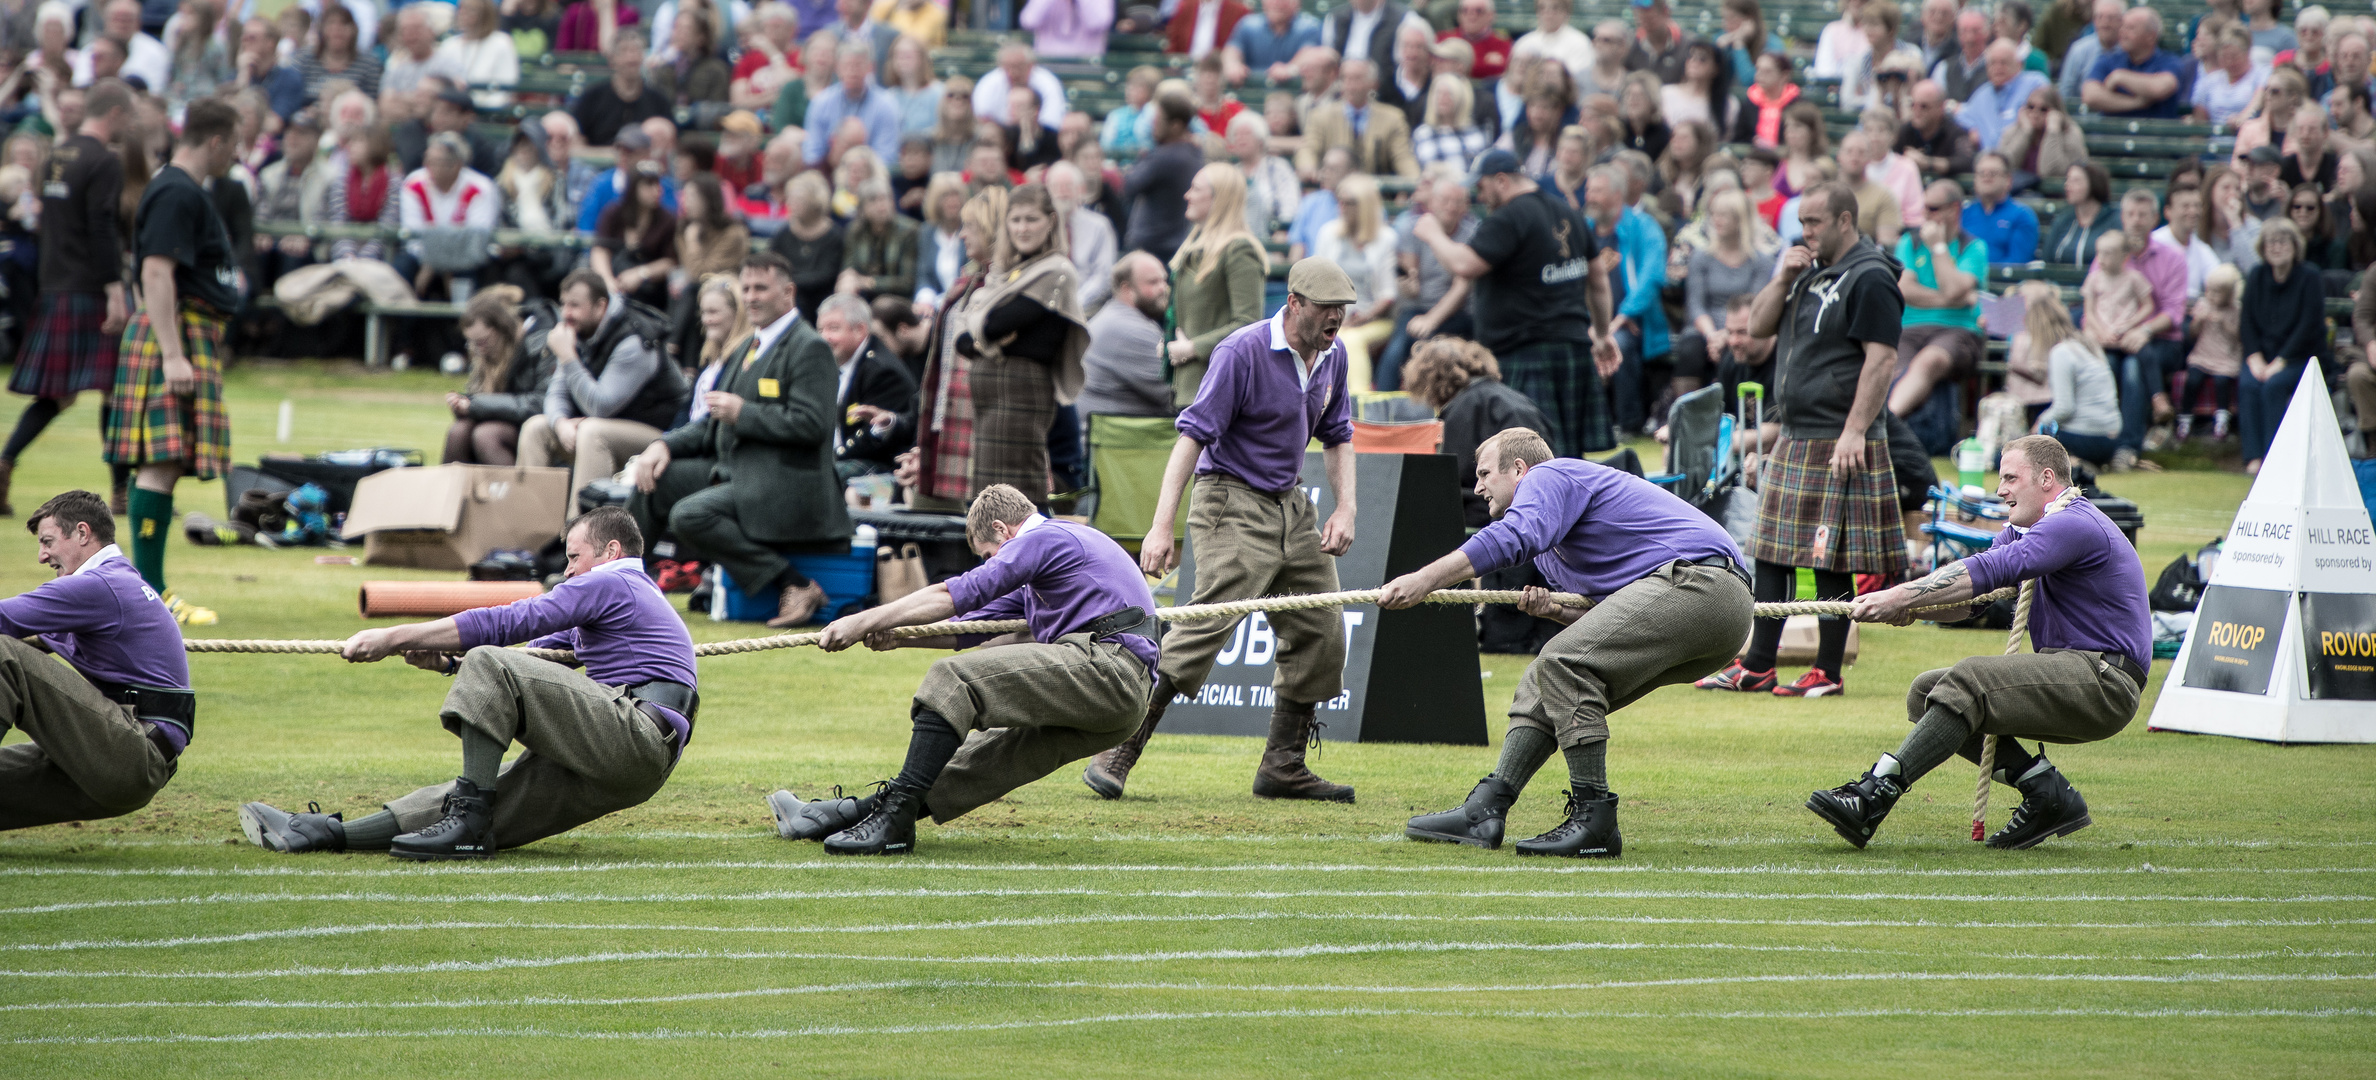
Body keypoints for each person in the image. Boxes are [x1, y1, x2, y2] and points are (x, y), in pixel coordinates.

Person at [243, 508, 697, 859]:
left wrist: (395, 635)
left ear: (611, 551)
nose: (570, 569)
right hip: (629, 755)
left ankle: (468, 826)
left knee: (487, 671)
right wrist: (448, 663)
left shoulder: (615, 582)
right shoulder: (619, 599)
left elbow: (510, 625)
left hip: (636, 734)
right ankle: (325, 834)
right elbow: (530, 656)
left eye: (575, 557)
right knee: (484, 794)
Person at [1383, 423, 1751, 856]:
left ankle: (1593, 819)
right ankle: (1485, 810)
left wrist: (1426, 578)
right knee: (1547, 678)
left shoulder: (1549, 476)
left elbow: (1512, 538)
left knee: (1565, 662)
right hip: (1706, 606)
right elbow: (1619, 617)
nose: (1477, 487)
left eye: (1484, 474)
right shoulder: (1554, 549)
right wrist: (1557, 611)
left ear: (1519, 469)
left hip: (1704, 585)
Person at [1079, 259, 1361, 804]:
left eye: (1343, 310)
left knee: (1323, 632)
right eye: (1327, 309)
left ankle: (1283, 765)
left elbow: (1338, 434)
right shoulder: (1242, 351)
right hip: (1228, 500)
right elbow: (1190, 439)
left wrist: (1346, 508)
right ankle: (1119, 748)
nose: (1336, 320)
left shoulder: (1334, 355)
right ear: (1294, 303)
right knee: (1205, 626)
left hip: (1292, 503)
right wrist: (1161, 527)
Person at [780, 485, 1159, 854]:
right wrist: (898, 636)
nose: (990, 563)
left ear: (1001, 529)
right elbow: (968, 624)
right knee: (980, 761)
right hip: (1122, 701)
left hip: (1109, 666)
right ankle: (843, 816)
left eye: (989, 555)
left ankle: (892, 824)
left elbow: (951, 594)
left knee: (953, 679)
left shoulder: (1043, 538)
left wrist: (861, 620)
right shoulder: (1044, 565)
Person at [1812, 435, 2148, 850]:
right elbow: (1971, 602)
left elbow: (1990, 568)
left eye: (2010, 478)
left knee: (1970, 676)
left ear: (2047, 478)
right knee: (1926, 692)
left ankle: (1874, 794)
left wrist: (1901, 595)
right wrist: (1914, 608)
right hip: (2078, 671)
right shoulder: (2028, 529)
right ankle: (2046, 793)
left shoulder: (2072, 523)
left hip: (2105, 681)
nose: (2000, 489)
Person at [1699, 181, 1905, 699]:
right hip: (1797, 433)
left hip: (1838, 435)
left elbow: (1882, 360)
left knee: (1830, 557)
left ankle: (1828, 672)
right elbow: (1762, 325)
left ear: (1844, 220)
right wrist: (1782, 275)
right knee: (1769, 551)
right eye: (1802, 221)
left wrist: (1855, 430)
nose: (1804, 231)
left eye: (1814, 222)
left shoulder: (1872, 277)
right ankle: (1758, 664)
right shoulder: (1807, 272)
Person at [627, 253, 848, 627]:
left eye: (761, 288)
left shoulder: (810, 347)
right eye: (746, 288)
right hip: (741, 473)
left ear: (788, 292)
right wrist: (662, 446)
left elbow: (812, 425)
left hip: (789, 484)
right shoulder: (749, 346)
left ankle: (794, 584)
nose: (751, 296)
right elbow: (711, 423)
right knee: (653, 482)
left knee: (689, 515)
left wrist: (744, 413)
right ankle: (618, 588)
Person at [105, 98, 239, 628]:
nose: (238, 152)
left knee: (170, 460)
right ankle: (152, 593)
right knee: (160, 459)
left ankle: (150, 590)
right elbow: (156, 274)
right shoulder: (178, 191)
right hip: (176, 331)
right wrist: (174, 353)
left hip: (185, 329)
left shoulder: (179, 189)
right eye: (235, 142)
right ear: (215, 141)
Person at [1409, 148, 1617, 458]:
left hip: (1525, 351)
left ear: (1501, 180)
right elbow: (1598, 279)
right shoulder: (1566, 213)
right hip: (1571, 350)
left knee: (1527, 459)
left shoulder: (1508, 218)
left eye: (1481, 186)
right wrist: (1601, 335)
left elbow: (1465, 265)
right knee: (1568, 459)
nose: (1479, 195)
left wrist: (1433, 233)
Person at [1, 79, 127, 515]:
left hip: (55, 284)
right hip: (90, 288)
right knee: (116, 390)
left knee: (56, 394)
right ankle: (122, 491)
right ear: (113, 114)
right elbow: (101, 226)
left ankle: (4, 461)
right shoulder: (103, 161)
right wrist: (115, 288)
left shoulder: (57, 154)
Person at [520, 269, 687, 514]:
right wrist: (560, 423)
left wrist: (567, 357)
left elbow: (601, 406)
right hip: (610, 425)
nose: (566, 314)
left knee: (593, 432)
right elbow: (555, 394)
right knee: (537, 427)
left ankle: (578, 536)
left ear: (601, 306)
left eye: (575, 305)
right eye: (564, 304)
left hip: (660, 436)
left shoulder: (634, 340)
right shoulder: (579, 330)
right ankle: (532, 534)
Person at [2094, 188, 2189, 468]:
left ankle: (2127, 447)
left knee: (2134, 368)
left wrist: (2144, 330)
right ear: (2122, 218)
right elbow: (2091, 303)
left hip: (2160, 340)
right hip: (2111, 337)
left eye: (2143, 215)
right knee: (2101, 365)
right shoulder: (2106, 253)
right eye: (2130, 214)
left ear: (2155, 219)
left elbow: (2174, 312)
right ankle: (2099, 443)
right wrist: (2101, 332)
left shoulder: (2172, 258)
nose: (2136, 221)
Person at [1162, 162, 1266, 407]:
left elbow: (1249, 324)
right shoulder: (1193, 249)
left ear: (1219, 198)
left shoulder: (1240, 249)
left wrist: (1193, 348)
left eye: (1196, 189)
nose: (1187, 195)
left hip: (1218, 390)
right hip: (1189, 388)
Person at [1885, 179, 1986, 421]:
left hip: (1958, 331)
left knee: (1929, 360)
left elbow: (1952, 289)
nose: (1925, 215)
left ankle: (1889, 423)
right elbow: (1905, 290)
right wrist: (1953, 300)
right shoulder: (1909, 242)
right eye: (1924, 208)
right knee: (1889, 368)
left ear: (1954, 209)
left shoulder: (1973, 247)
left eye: (1933, 208)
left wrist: (1938, 247)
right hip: (1909, 328)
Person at [1583, 163, 1667, 437]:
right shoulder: (1582, 228)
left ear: (1617, 195)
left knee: (1617, 344)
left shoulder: (1643, 227)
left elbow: (1650, 278)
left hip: (1633, 322)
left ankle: (1628, 424)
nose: (1590, 197)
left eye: (1597, 191)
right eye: (1588, 190)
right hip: (1588, 321)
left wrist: (1617, 321)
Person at [2237, 218, 2326, 474]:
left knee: (2273, 386)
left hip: (2299, 356)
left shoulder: (2309, 276)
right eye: (2270, 243)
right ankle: (2253, 458)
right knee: (2248, 384)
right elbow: (2247, 322)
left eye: (2282, 242)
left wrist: (2281, 361)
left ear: (2294, 245)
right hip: (2262, 355)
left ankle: (2273, 457)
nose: (2276, 247)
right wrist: (2254, 357)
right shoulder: (2256, 275)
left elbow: (2309, 325)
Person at [1376, 162, 1475, 391]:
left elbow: (1462, 287)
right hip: (1417, 308)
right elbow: (1411, 276)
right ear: (1432, 203)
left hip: (1457, 312)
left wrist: (1432, 319)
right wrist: (1408, 283)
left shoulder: (1472, 233)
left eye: (1457, 202)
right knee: (1396, 350)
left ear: (1466, 206)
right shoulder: (1412, 228)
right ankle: (1381, 408)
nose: (1450, 207)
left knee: (1433, 348)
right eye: (1444, 201)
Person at [1675, 189, 1774, 402]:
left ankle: (1733, 412)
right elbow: (1695, 304)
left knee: (1738, 347)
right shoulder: (1701, 257)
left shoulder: (1761, 261)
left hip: (1744, 328)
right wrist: (1713, 335)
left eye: (1723, 215)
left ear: (1740, 220)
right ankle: (1686, 416)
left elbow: (1755, 306)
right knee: (1689, 347)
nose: (1715, 220)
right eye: (1714, 214)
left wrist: (1730, 335)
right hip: (1705, 329)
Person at [445, 287, 553, 465]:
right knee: (459, 430)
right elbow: (479, 402)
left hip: (535, 425)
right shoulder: (484, 355)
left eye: (482, 341)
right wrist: (461, 407)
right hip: (505, 422)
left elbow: (538, 403)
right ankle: (451, 492)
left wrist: (475, 404)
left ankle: (516, 493)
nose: (478, 349)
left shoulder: (537, 345)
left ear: (502, 330)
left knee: (487, 435)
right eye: (471, 343)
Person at [1313, 172, 1397, 392]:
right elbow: (1316, 280)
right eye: (1340, 201)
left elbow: (1388, 295)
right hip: (1334, 317)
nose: (1343, 207)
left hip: (1374, 318)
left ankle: (1360, 404)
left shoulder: (1386, 238)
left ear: (1365, 205)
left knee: (1349, 339)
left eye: (1350, 202)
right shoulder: (1328, 233)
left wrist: (1362, 318)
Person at [2021, 286, 2123, 466]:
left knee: (2017, 453)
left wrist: (2038, 424)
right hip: (2111, 437)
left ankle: (2074, 461)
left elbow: (2064, 407)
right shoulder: (2086, 344)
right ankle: (2075, 461)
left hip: (2087, 438)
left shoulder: (2061, 352)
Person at [818, 291, 914, 477]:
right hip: (845, 457)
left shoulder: (881, 370)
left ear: (860, 330)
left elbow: (872, 441)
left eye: (833, 328)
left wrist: (829, 458)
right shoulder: (831, 363)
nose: (824, 337)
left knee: (822, 477)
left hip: (882, 467)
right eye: (820, 330)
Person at [1077, 251, 1174, 419]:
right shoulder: (1129, 331)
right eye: (1153, 282)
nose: (1163, 288)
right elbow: (1175, 395)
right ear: (1126, 288)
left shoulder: (1114, 316)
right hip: (1112, 441)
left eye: (1164, 280)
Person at [1297, 57, 1419, 178]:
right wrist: (1308, 166)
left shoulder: (1393, 118)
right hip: (1333, 190)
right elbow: (1309, 148)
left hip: (1375, 192)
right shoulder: (1320, 116)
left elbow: (1403, 156)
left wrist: (1414, 179)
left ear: (1373, 85)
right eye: (1345, 78)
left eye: (1357, 79)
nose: (1349, 85)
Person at [1124, 90, 1202, 264]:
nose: (1153, 125)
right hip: (1176, 246)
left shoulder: (1164, 156)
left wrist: (1138, 162)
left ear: (1176, 125)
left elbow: (1129, 186)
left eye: (1158, 121)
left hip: (1154, 249)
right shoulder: (1194, 152)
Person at [2081, 8, 2189, 120]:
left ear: (2150, 37)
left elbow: (2161, 88)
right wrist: (2136, 103)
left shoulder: (2170, 61)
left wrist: (2120, 77)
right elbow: (2090, 96)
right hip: (2114, 134)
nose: (2123, 32)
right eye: (2123, 26)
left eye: (2130, 28)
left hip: (2155, 135)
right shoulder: (2108, 59)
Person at [572, 29, 670, 147]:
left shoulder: (658, 100)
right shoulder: (592, 97)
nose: (631, 57)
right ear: (611, 59)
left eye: (636, 51)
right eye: (624, 51)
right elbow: (577, 139)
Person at [768, 171, 843, 324]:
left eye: (797, 200)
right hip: (788, 294)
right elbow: (773, 264)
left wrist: (791, 283)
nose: (790, 204)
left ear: (814, 202)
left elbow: (827, 274)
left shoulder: (834, 235)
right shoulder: (783, 234)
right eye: (789, 199)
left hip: (821, 297)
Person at [1958, 40, 2048, 151]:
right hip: (1987, 162)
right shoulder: (1981, 95)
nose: (1997, 68)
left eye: (2003, 62)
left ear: (2018, 64)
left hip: (2023, 156)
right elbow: (1963, 118)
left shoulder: (2035, 83)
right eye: (1992, 63)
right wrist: (1971, 131)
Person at [1999, 85, 2086, 194]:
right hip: (2017, 193)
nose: (2035, 113)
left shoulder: (2070, 133)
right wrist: (2026, 132)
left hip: (2056, 194)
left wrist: (2053, 131)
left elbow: (2049, 171)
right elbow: (2004, 166)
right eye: (2031, 107)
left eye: (2044, 109)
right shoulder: (2013, 131)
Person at [1223, 0, 1320, 86]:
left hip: (1292, 96)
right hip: (1254, 94)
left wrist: (1290, 68)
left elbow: (1309, 53)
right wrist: (1232, 65)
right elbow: (1231, 51)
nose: (1277, 3)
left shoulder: (1309, 26)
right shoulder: (1248, 25)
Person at [971, 43, 1067, 130]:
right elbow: (980, 117)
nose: (1013, 73)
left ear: (1031, 65)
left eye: (1019, 66)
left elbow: (1052, 123)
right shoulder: (989, 83)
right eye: (1008, 67)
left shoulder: (1048, 83)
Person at [297, 3, 381, 98]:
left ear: (354, 29)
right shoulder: (303, 59)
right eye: (331, 23)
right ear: (321, 29)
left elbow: (372, 101)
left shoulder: (369, 64)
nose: (337, 30)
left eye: (344, 24)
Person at [1895, 80, 1974, 179]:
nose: (1916, 110)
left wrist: (1927, 163)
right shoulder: (1904, 131)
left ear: (1940, 108)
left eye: (1924, 106)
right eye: (1913, 105)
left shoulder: (1956, 132)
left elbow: (1966, 163)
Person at [1411, 72, 1488, 171]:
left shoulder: (1474, 134)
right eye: (1439, 93)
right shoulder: (1422, 134)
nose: (1443, 98)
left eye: (1449, 94)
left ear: (1459, 99)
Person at [2042, 162, 2116, 266]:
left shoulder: (2113, 219)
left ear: (2094, 183)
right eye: (2067, 179)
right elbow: (2047, 258)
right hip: (2059, 281)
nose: (2067, 185)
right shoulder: (2063, 219)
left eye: (2076, 180)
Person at [2192, 24, 2264, 126]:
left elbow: (2259, 97)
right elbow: (2199, 121)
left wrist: (2242, 118)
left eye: (2234, 56)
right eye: (2224, 57)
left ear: (2247, 52)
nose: (2230, 62)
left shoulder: (2260, 73)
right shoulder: (2209, 81)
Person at [1734, 49, 1798, 149]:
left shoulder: (1797, 105)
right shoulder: (1749, 103)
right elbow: (1739, 138)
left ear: (1784, 75)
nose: (1759, 75)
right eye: (1758, 70)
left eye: (1767, 71)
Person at [1167, 0, 1247, 59]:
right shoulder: (1184, 7)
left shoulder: (1239, 12)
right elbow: (1173, 46)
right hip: (1185, 70)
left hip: (1221, 72)